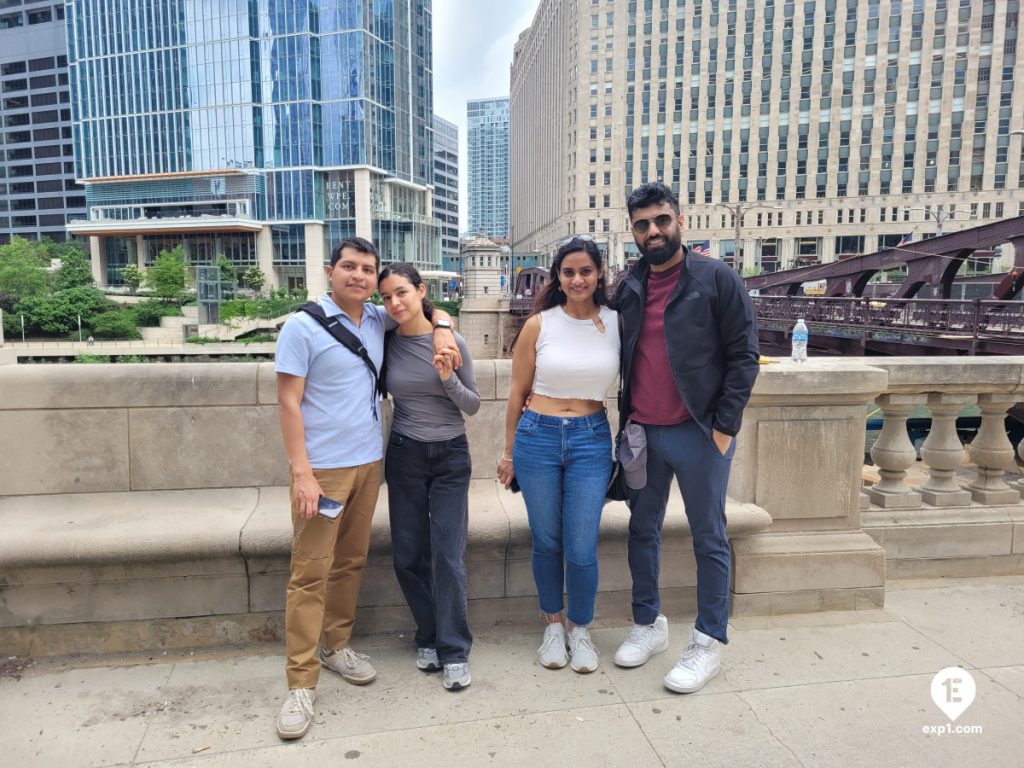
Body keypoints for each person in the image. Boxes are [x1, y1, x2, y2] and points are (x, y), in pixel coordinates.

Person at [274, 237, 459, 740]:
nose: (358, 275)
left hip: (369, 463)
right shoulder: (301, 327)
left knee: (350, 563)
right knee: (310, 573)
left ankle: (335, 647)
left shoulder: (378, 320)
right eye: (349, 267)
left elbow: (426, 306)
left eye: (367, 269)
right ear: (331, 271)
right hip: (325, 469)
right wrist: (302, 473)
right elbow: (288, 404)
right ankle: (300, 683)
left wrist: (443, 327)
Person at [611, 182, 759, 693]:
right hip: (643, 434)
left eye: (661, 220)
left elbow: (744, 357)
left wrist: (724, 427)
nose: (653, 231)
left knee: (709, 537)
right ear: (632, 231)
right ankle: (649, 623)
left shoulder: (717, 278)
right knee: (641, 531)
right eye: (642, 224)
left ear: (679, 219)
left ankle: (707, 641)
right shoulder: (629, 286)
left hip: (700, 433)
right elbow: (576, 312)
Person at [497, 237, 620, 674]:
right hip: (538, 437)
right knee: (547, 539)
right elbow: (516, 394)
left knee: (582, 544)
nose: (577, 279)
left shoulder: (617, 322)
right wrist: (508, 451)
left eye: (585, 271)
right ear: (558, 277)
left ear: (599, 273)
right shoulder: (539, 325)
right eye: (568, 272)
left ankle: (579, 628)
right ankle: (552, 624)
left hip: (590, 438)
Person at [378, 263, 480, 692]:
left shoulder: (451, 340)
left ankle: (453, 648)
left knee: (448, 555)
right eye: (386, 297)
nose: (395, 303)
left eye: (402, 292)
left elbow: (472, 404)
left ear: (421, 291)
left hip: (450, 456)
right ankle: (427, 634)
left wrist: (448, 380)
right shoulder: (383, 341)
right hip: (404, 454)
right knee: (407, 555)